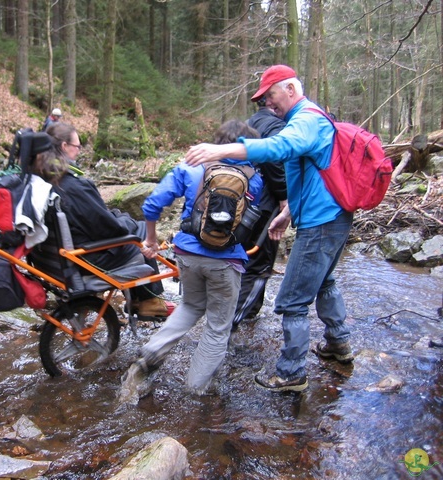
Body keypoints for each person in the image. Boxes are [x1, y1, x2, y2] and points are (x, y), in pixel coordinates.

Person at [185, 65, 354, 393]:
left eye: (270, 95)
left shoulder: (306, 118)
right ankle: (339, 344)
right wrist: (287, 212)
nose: (267, 103)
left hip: (322, 222)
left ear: (290, 89)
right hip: (329, 216)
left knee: (291, 299)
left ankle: (291, 371)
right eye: (263, 99)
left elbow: (278, 148)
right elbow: (310, 174)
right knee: (325, 282)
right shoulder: (305, 119)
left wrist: (224, 150)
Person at [120, 120, 264, 396]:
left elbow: (152, 204)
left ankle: (151, 353)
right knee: (217, 327)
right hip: (226, 260)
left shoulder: (190, 168)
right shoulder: (253, 176)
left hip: (186, 253)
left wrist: (150, 239)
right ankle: (195, 390)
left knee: (190, 305)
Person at [31, 127, 174, 318]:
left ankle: (141, 299)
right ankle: (150, 301)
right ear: (65, 146)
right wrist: (127, 220)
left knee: (129, 227)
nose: (79, 151)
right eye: (77, 146)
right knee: (139, 232)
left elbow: (96, 217)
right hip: (85, 260)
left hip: (53, 259)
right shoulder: (74, 185)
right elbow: (111, 229)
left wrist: (115, 215)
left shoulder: (40, 180)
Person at [232, 98, 288, 329]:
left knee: (240, 260)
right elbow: (274, 160)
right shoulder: (276, 126)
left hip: (239, 201)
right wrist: (284, 195)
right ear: (274, 107)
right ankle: (238, 321)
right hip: (264, 206)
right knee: (260, 265)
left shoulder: (246, 125)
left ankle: (240, 315)